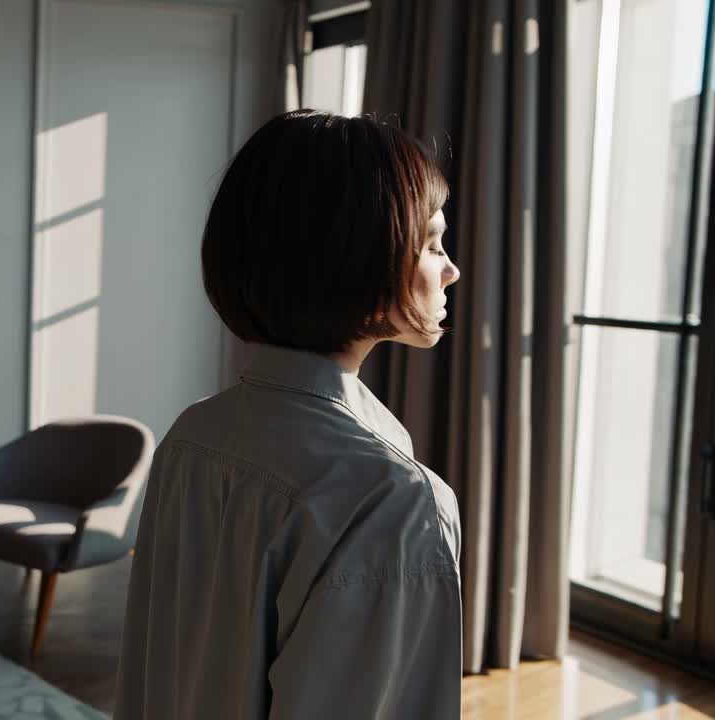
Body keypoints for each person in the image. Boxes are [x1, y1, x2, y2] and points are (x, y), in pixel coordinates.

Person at [113, 110, 463, 719]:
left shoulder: (194, 435)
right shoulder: (392, 497)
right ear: (359, 258)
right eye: (432, 244)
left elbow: (157, 667)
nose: (451, 269)